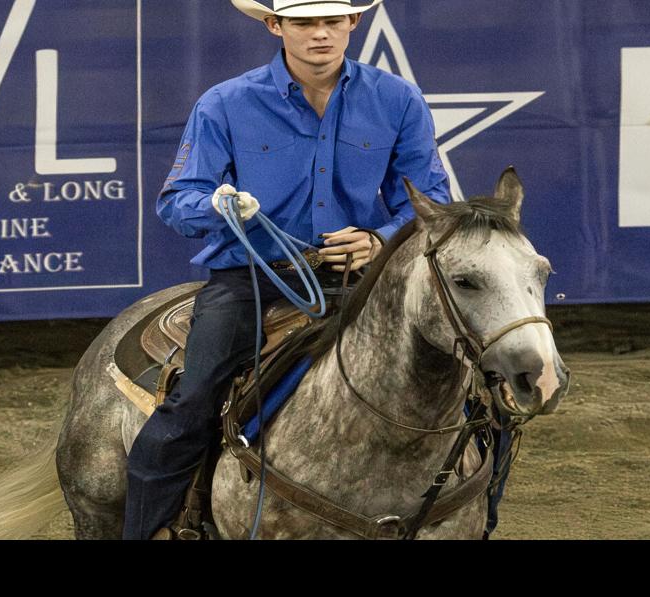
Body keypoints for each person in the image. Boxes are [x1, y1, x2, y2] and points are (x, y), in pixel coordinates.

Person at [124, 0, 451, 539]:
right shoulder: (225, 104)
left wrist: (379, 239)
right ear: (276, 26)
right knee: (193, 400)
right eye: (303, 22)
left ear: (353, 23)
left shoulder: (398, 100)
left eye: (332, 21)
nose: (319, 35)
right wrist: (220, 205)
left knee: (470, 383)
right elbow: (178, 202)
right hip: (253, 279)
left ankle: (474, 514)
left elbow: (429, 199)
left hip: (362, 280)